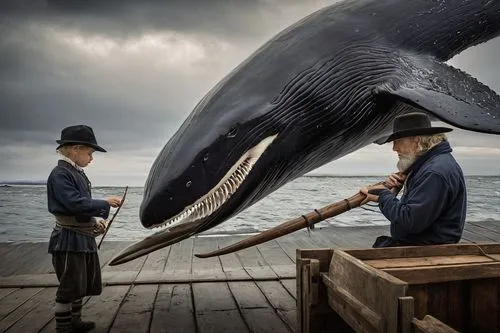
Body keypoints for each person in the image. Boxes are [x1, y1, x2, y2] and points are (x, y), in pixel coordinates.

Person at [47, 125, 122, 333]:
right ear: (75, 149)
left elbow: (80, 207)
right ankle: (64, 328)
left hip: (81, 237)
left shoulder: (74, 172)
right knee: (69, 286)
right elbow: (74, 203)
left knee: (81, 283)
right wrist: (104, 202)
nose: (91, 158)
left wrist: (94, 223)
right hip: (68, 239)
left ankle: (75, 322)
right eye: (89, 153)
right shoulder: (60, 174)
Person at [360, 112, 467, 248]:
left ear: (416, 140)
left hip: (428, 251)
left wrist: (383, 195)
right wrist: (394, 190)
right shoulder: (430, 165)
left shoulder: (433, 173)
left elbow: (410, 222)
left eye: (398, 141)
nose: (394, 148)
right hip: (423, 246)